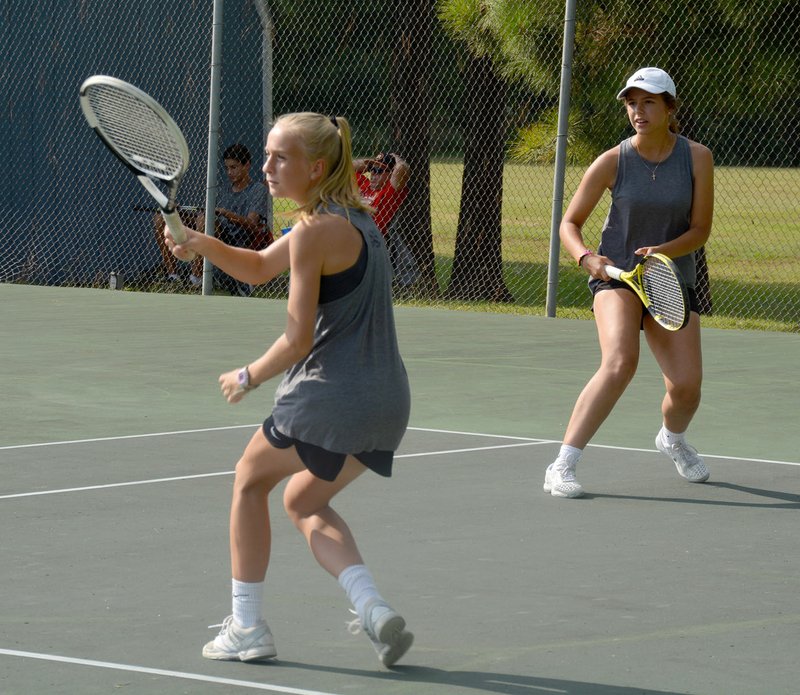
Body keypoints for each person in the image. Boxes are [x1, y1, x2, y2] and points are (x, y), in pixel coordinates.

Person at [164, 113, 414, 666]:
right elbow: (256, 267)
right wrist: (200, 242)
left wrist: (249, 375)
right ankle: (373, 608)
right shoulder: (358, 220)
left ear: (316, 167)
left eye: (282, 157)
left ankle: (247, 627)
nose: (269, 167)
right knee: (303, 500)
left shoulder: (312, 232)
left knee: (249, 481)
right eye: (268, 155)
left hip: (331, 398)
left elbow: (297, 339)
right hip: (389, 405)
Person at [544, 67, 714, 499]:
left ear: (669, 107)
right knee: (620, 361)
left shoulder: (697, 158)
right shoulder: (612, 160)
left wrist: (662, 252)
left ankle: (672, 439)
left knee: (687, 387)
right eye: (632, 103)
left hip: (670, 278)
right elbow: (569, 222)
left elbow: (700, 230)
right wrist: (586, 257)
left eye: (649, 102)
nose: (638, 111)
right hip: (617, 277)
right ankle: (562, 464)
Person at [197, 143, 271, 296]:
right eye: (227, 168)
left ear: (247, 165)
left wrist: (226, 213)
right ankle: (191, 278)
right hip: (219, 235)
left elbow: (252, 224)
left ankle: (209, 278)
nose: (229, 172)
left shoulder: (257, 189)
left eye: (234, 167)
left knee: (203, 221)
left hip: (241, 240)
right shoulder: (223, 189)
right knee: (163, 218)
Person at [354, 152, 418, 287]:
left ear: (390, 174)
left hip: (367, 239)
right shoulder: (364, 186)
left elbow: (402, 170)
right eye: (372, 170)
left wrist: (396, 158)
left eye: (379, 171)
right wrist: (369, 163)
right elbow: (346, 168)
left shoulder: (390, 191)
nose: (373, 175)